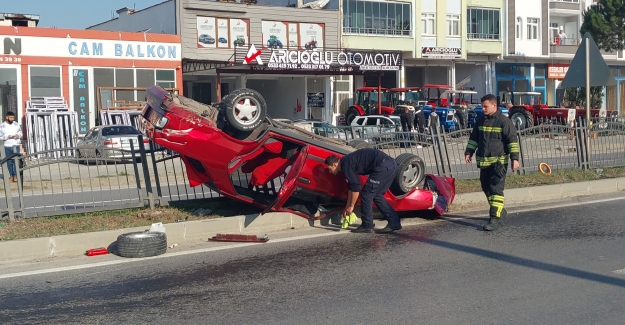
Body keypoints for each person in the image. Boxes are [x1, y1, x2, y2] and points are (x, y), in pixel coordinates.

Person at [464, 94, 519, 231]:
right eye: (482, 106)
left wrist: (515, 159)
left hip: (498, 163)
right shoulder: (481, 120)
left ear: (494, 105)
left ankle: (494, 219)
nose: (483, 109)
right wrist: (469, 152)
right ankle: (500, 210)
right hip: (484, 162)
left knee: (495, 190)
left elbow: (512, 141)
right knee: (486, 187)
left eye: (485, 106)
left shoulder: (504, 122)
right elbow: (474, 138)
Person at [325, 148, 402, 234]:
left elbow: (356, 188)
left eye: (329, 169)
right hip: (391, 165)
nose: (330, 172)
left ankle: (367, 225)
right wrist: (348, 206)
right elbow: (351, 187)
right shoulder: (346, 162)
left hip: (382, 167)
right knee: (377, 195)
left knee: (366, 194)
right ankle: (394, 222)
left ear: (334, 164)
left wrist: (351, 206)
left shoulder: (345, 165)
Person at [0, 112, 22, 182]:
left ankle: (16, 176)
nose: (12, 119)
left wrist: (17, 135)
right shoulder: (2, 126)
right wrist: (7, 137)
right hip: (7, 146)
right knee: (9, 162)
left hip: (15, 145)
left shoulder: (16, 124)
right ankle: (11, 175)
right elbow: (0, 136)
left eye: (13, 117)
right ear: (7, 117)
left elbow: (21, 133)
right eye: (11, 117)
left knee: (15, 161)